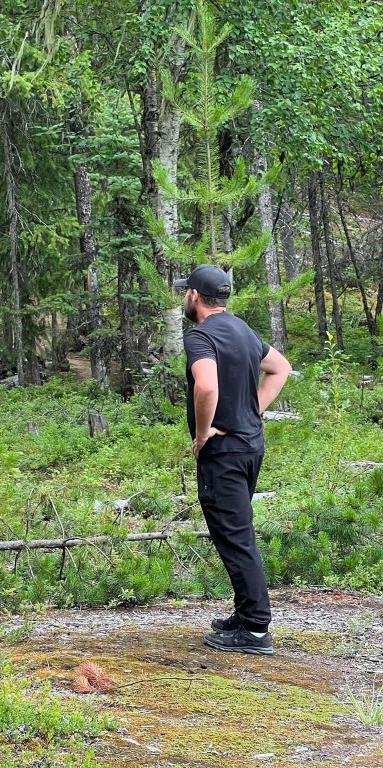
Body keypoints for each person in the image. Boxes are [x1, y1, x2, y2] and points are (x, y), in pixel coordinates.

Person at [174, 264, 292, 655]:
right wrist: (251, 410)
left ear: (194, 296)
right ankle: (245, 615)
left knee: (235, 537)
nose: (184, 297)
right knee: (237, 531)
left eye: (186, 292)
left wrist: (203, 431)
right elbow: (280, 368)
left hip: (224, 452)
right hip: (250, 445)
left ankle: (255, 630)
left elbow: (207, 385)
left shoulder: (200, 336)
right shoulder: (243, 330)